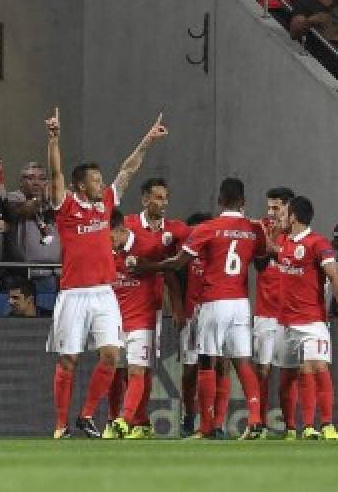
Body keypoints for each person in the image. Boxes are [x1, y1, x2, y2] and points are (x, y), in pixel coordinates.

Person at [46, 107, 168, 439]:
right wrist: (54, 139)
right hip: (73, 293)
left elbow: (128, 169)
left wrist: (146, 141)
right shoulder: (67, 207)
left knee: (112, 355)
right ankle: (60, 425)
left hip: (104, 293)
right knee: (68, 360)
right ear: (80, 185)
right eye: (95, 180)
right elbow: (55, 176)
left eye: (101, 179)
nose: (102, 184)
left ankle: (86, 415)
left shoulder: (107, 203)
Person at [155, 178, 268, 440]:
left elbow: (178, 262)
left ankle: (206, 427)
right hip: (241, 303)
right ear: (243, 201)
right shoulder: (254, 229)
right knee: (241, 361)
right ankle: (255, 419)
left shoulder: (208, 228)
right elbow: (263, 259)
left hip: (214, 302)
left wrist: (147, 267)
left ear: (219, 200)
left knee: (207, 361)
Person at [102, 181, 185, 440]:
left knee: (141, 367)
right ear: (144, 200)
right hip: (115, 313)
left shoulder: (164, 236)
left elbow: (169, 270)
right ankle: (118, 418)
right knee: (116, 369)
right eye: (158, 198)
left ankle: (135, 420)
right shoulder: (126, 225)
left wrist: (177, 306)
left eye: (165, 198)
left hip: (148, 310)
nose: (163, 203)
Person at [273, 196, 338, 440]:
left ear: (294, 217)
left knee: (315, 366)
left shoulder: (317, 243)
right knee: (289, 376)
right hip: (285, 322)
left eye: (284, 213)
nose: (281, 217)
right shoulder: (285, 241)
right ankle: (293, 428)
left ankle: (324, 425)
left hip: (312, 321)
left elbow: (335, 278)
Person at [253, 186, 293, 440]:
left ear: (289, 208)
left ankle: (290, 427)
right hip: (265, 312)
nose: (271, 212)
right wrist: (266, 242)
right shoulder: (263, 229)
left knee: (290, 372)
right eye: (269, 207)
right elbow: (258, 264)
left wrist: (274, 246)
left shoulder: (298, 234)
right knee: (263, 370)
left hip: (290, 313)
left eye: (276, 207)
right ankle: (260, 424)